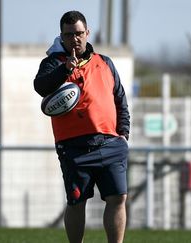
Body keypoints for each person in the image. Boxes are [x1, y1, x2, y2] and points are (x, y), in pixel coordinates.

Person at [34, 11, 130, 243]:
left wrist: (124, 133)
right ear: (61, 37)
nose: (74, 39)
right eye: (69, 35)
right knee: (76, 201)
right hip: (74, 146)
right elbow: (41, 86)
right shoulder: (52, 63)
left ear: (87, 33)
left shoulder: (104, 62)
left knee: (118, 198)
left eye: (78, 33)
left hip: (110, 142)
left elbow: (120, 99)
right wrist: (65, 69)